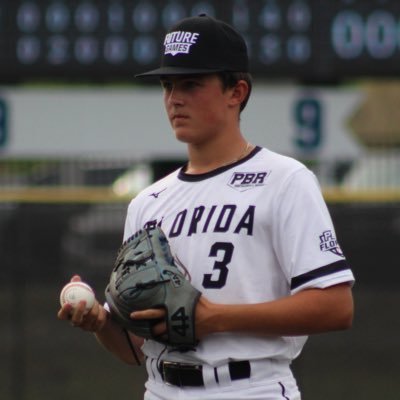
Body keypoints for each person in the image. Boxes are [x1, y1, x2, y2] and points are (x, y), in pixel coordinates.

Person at [58, 14, 354, 400]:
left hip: (252, 388)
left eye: (191, 84)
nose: (174, 98)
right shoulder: (147, 203)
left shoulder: (284, 180)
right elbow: (135, 350)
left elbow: (335, 306)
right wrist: (100, 322)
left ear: (237, 91)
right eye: (168, 85)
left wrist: (215, 319)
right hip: (162, 389)